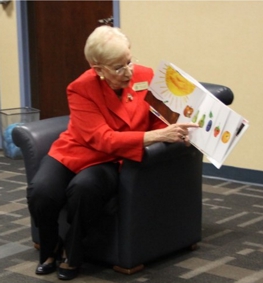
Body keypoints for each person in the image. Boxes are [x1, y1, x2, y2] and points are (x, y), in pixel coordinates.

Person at [27, 25, 198, 281]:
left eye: (129, 61)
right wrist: (154, 137)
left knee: (84, 190)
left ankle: (73, 250)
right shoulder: (80, 88)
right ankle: (50, 246)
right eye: (118, 67)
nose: (128, 71)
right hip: (79, 149)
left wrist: (176, 128)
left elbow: (161, 120)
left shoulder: (147, 76)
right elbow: (101, 138)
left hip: (113, 158)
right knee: (41, 191)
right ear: (98, 69)